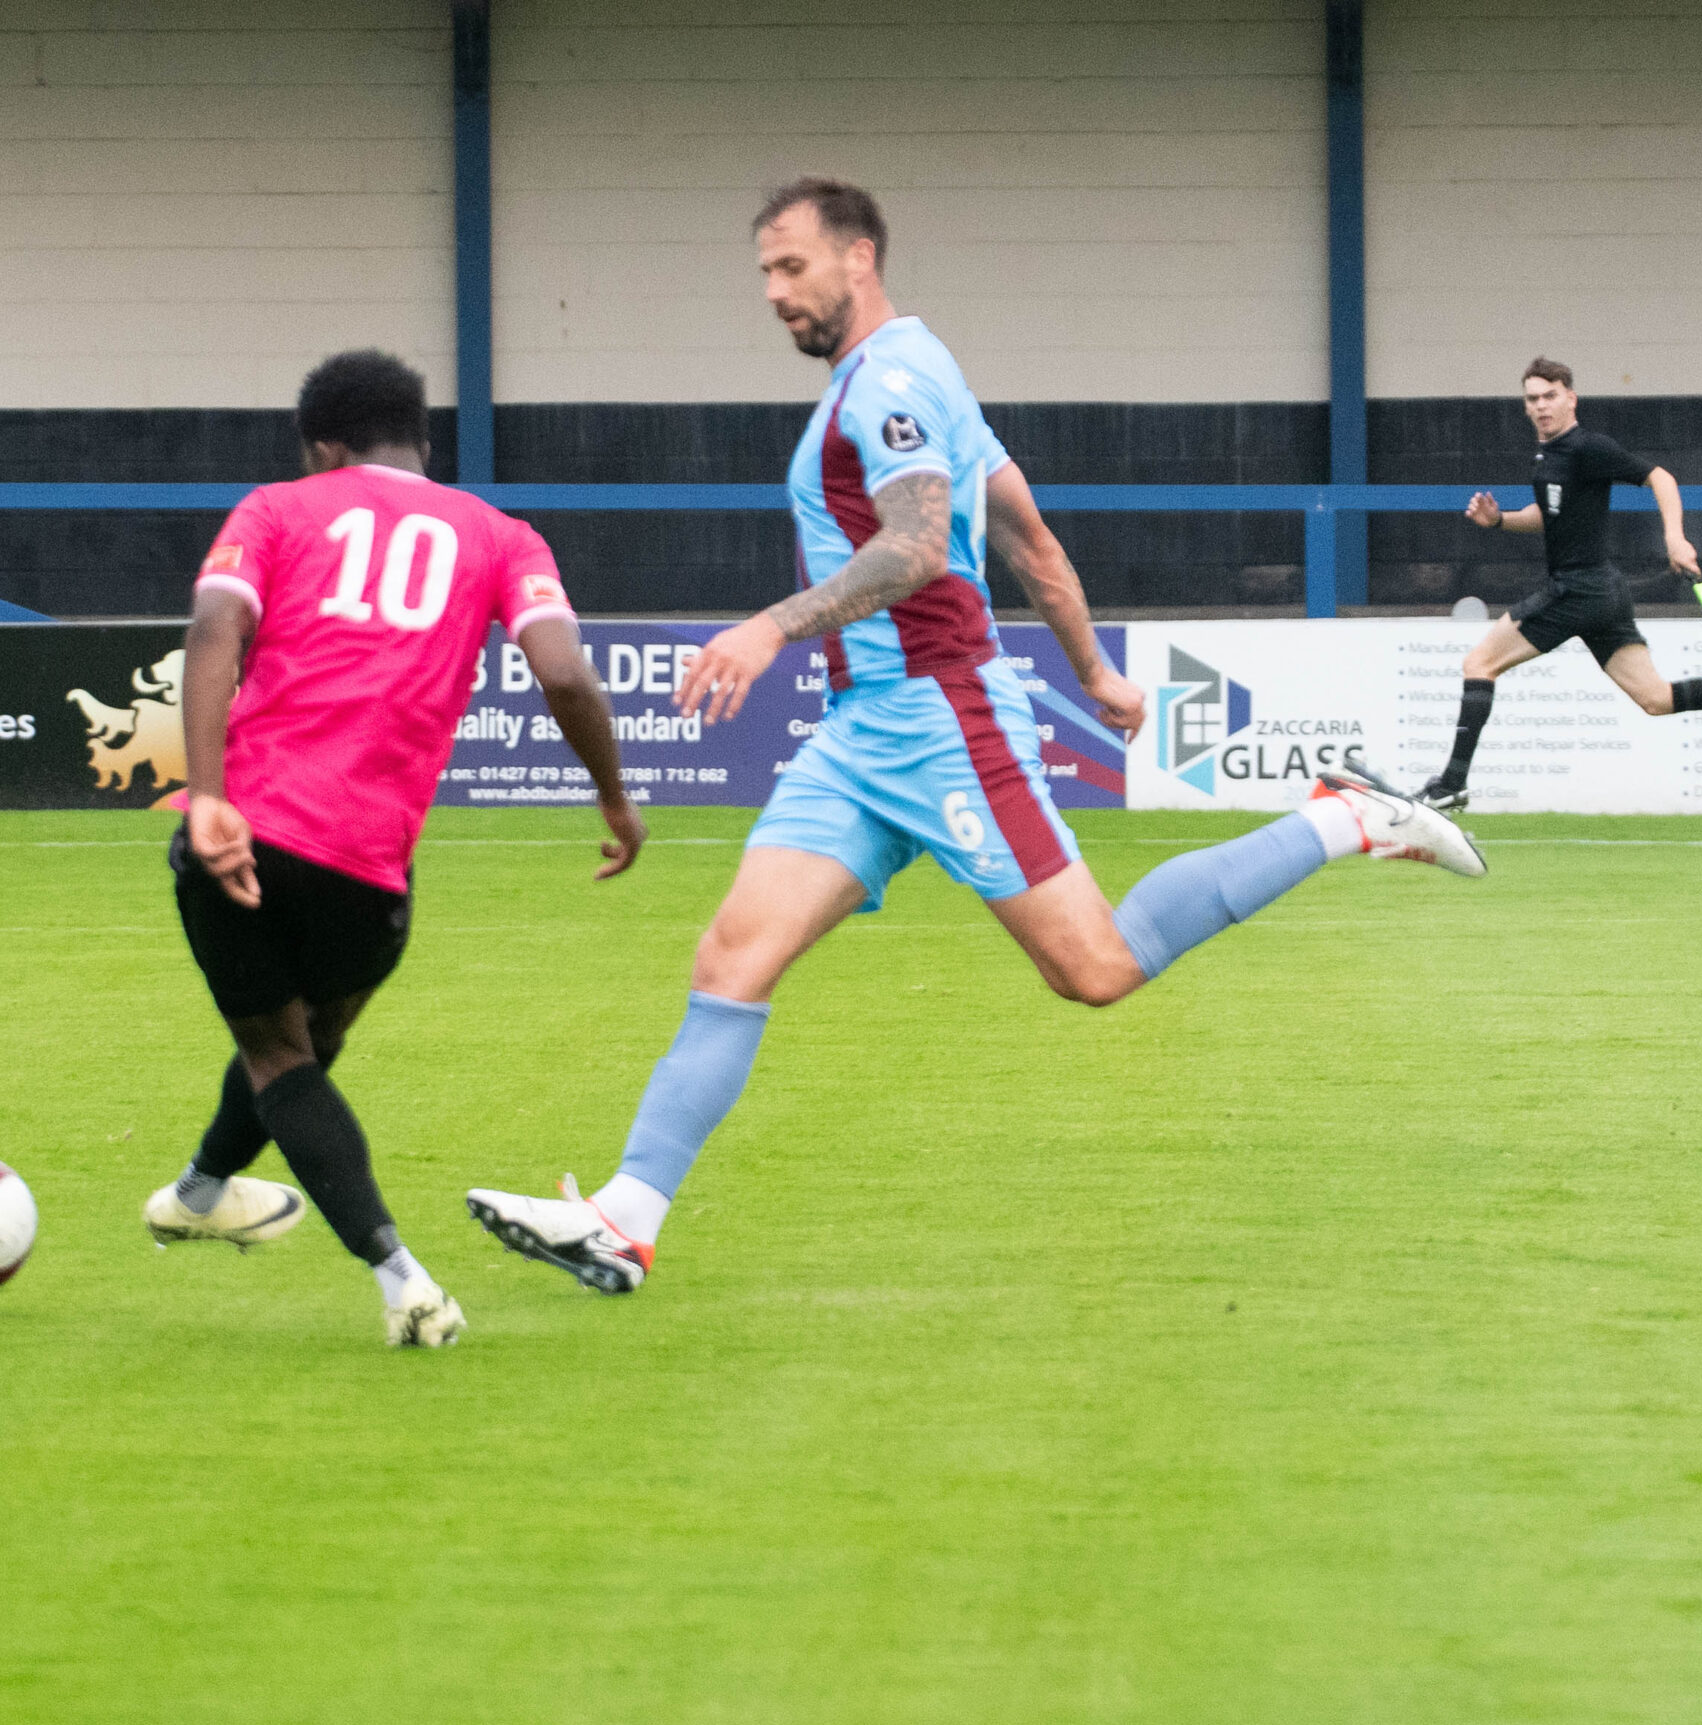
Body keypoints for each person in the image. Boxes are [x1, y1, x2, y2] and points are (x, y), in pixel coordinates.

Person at [465, 177, 1484, 1295]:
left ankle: (1342, 818)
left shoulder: (892, 382)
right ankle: (627, 1215)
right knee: (732, 958)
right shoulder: (916, 370)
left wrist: (771, 625)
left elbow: (915, 548)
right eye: (762, 271)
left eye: (790, 266)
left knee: (1093, 969)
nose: (772, 292)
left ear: (859, 258)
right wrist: (1092, 669)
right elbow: (1029, 541)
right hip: (862, 733)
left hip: (939, 717)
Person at [148, 349, 645, 1346]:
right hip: (372, 873)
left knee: (284, 1056)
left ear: (325, 443)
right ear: (420, 436)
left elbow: (211, 629)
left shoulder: (279, 509)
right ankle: (202, 1191)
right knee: (301, 1049)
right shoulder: (502, 537)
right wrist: (613, 798)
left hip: (248, 830)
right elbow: (566, 677)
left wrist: (204, 796)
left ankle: (401, 1279)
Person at [1418, 357, 1702, 810]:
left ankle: (1452, 784)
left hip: (1577, 589)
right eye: (1533, 399)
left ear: (1571, 399)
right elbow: (1549, 516)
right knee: (1656, 699)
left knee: (1478, 664)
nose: (1542, 406)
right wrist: (1500, 520)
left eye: (1551, 396)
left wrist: (1675, 538)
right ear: (1525, 406)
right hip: (1603, 592)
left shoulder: (1588, 447)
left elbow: (1660, 478)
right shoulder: (1548, 455)